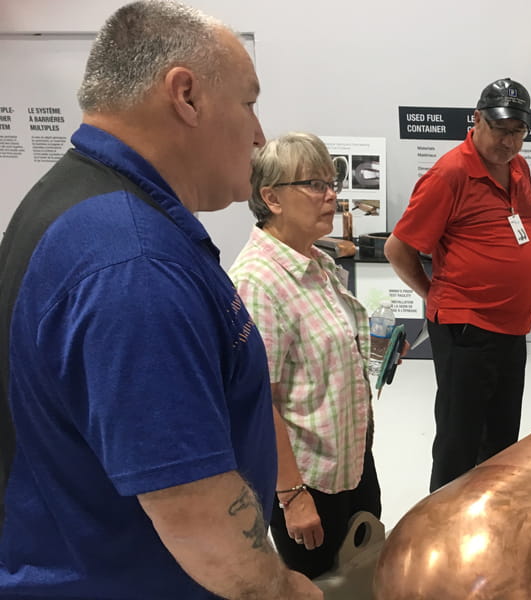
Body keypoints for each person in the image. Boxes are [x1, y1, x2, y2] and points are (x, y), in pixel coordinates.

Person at [0, 2, 320, 598]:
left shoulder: (76, 201)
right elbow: (197, 517)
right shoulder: (132, 263)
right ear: (186, 96)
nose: (258, 134)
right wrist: (282, 589)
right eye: (249, 102)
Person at [229, 132, 381, 578]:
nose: (332, 194)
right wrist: (292, 496)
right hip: (309, 479)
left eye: (331, 181)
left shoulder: (314, 261)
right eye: (314, 184)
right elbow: (260, 401)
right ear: (271, 198)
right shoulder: (258, 282)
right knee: (323, 585)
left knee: (363, 572)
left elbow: (324, 345)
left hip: (351, 457)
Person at [385, 78, 531, 492]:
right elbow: (398, 249)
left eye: (517, 132)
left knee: (502, 439)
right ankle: (442, 534)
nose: (508, 141)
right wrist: (433, 294)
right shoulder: (450, 173)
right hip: (466, 328)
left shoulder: (518, 168)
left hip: (512, 329)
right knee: (460, 441)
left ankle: (486, 522)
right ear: (476, 120)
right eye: (499, 128)